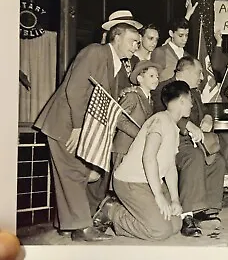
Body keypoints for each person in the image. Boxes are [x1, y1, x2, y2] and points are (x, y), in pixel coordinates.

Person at [33, 22, 141, 241]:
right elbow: (74, 89)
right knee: (74, 172)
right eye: (132, 41)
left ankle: (66, 224)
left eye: (137, 43)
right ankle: (81, 228)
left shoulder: (114, 63)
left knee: (74, 174)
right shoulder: (95, 52)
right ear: (116, 37)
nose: (135, 47)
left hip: (70, 122)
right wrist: (77, 127)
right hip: (64, 123)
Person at [93, 80, 193, 241]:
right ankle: (112, 210)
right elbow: (148, 157)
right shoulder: (159, 120)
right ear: (182, 100)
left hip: (149, 181)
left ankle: (140, 214)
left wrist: (175, 199)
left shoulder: (174, 127)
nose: (192, 105)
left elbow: (170, 167)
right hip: (131, 181)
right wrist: (159, 196)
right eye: (190, 100)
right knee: (159, 231)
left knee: (175, 225)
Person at [152, 56, 226, 237]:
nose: (202, 77)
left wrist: (207, 117)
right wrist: (187, 125)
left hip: (194, 141)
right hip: (173, 141)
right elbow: (161, 114)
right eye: (199, 73)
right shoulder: (164, 88)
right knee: (193, 157)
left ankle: (206, 209)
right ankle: (188, 215)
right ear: (184, 71)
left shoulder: (195, 92)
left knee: (218, 161)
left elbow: (204, 111)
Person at [110, 61, 162, 181]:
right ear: (140, 78)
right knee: (120, 185)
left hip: (134, 148)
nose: (156, 79)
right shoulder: (132, 96)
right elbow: (119, 119)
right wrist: (140, 134)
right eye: (151, 76)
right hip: (123, 148)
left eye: (157, 77)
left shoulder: (150, 100)